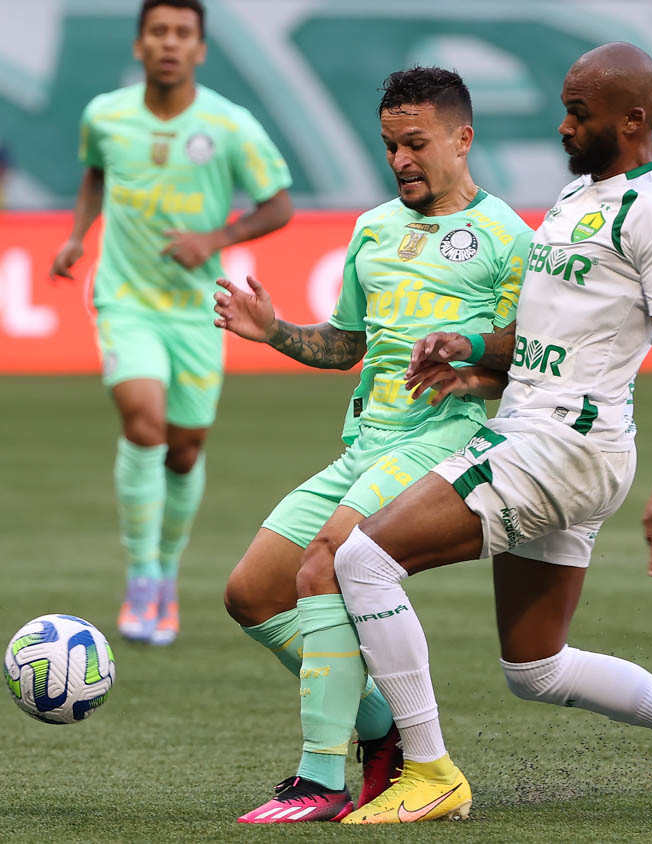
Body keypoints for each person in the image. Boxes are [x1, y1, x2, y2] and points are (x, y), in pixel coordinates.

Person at [306, 42, 652, 823]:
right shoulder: (575, 200)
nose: (562, 125)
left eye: (579, 113)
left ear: (632, 119)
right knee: (535, 667)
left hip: (565, 441)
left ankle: (429, 774)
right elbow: (541, 338)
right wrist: (469, 348)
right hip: (544, 431)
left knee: (361, 562)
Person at [215, 67, 530, 823]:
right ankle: (379, 724)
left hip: (444, 438)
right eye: (390, 145)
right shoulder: (373, 228)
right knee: (251, 594)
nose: (400, 161)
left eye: (415, 143)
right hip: (365, 441)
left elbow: (529, 358)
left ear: (463, 138)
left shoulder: (511, 239)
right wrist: (276, 332)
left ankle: (320, 779)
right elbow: (346, 344)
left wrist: (472, 374)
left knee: (326, 559)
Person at [48, 0, 293, 647]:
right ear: (139, 44)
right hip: (125, 299)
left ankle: (169, 570)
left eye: (183, 33)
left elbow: (278, 205)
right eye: (158, 31)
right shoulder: (105, 114)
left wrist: (218, 234)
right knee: (144, 423)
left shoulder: (230, 125)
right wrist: (78, 237)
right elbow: (96, 172)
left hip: (196, 310)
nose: (169, 44)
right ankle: (141, 576)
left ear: (201, 49)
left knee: (184, 450)